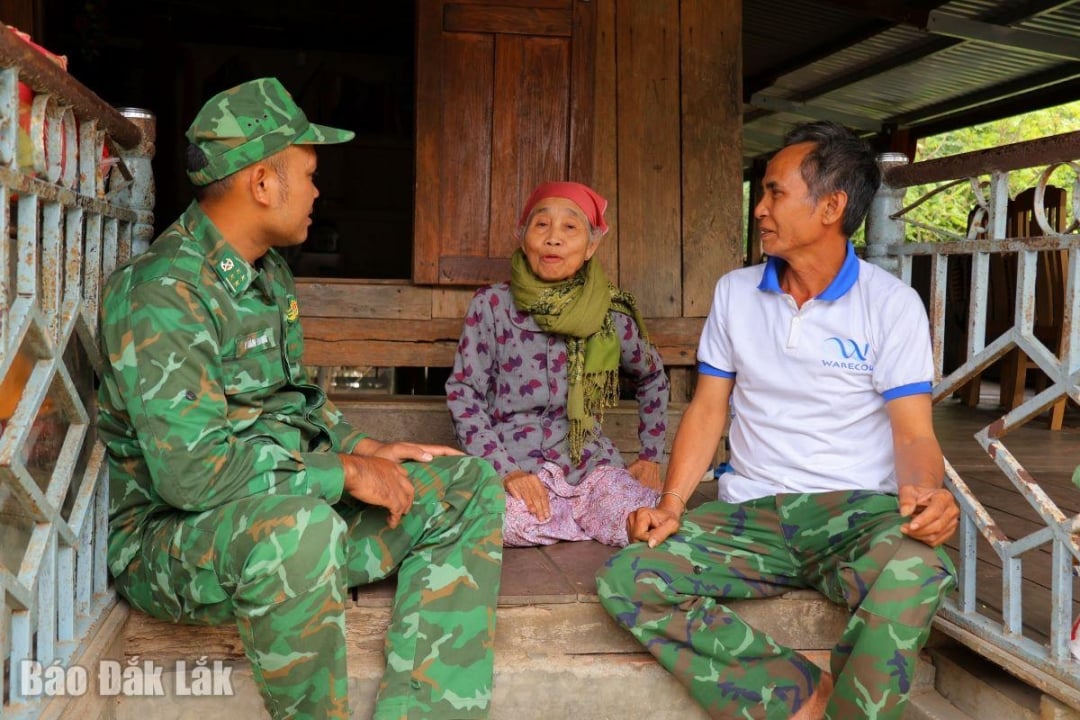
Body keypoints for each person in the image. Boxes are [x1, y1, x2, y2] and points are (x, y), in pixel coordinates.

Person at [96, 77, 505, 720]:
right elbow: (191, 476)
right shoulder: (162, 294)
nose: (317, 191)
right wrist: (342, 471)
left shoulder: (266, 272)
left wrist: (364, 447)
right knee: (302, 529)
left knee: (467, 482)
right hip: (178, 541)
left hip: (284, 509)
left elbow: (295, 397)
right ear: (263, 182)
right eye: (309, 174)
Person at [597, 121, 959, 720]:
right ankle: (803, 696)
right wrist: (672, 502)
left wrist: (927, 494)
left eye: (773, 193)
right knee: (628, 577)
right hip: (750, 513)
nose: (759, 209)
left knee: (919, 570)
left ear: (831, 207)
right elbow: (709, 407)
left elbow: (914, 432)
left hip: (855, 514)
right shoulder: (736, 293)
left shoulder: (890, 305)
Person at [445, 181, 668, 547]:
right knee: (501, 522)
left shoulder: (608, 315)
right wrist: (506, 472)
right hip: (515, 463)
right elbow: (464, 395)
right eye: (541, 225)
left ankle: (584, 516)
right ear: (523, 237)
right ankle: (588, 523)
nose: (553, 239)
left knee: (647, 518)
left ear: (591, 245)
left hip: (591, 469)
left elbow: (653, 377)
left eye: (570, 227)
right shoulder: (492, 306)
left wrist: (650, 456)